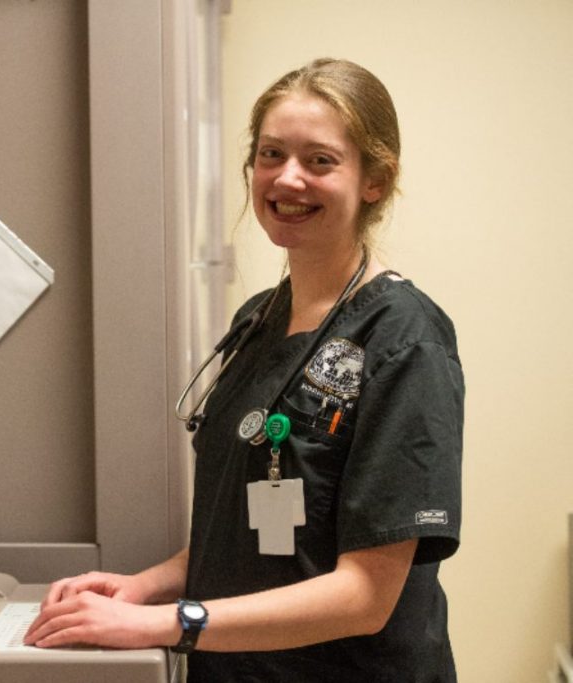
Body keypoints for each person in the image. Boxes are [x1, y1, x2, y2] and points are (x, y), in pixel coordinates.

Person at [23, 58, 464, 681]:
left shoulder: (403, 337)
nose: (287, 178)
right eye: (270, 154)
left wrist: (167, 623)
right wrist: (141, 587)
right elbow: (250, 527)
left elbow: (366, 596)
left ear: (375, 180)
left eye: (319, 161)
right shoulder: (259, 319)